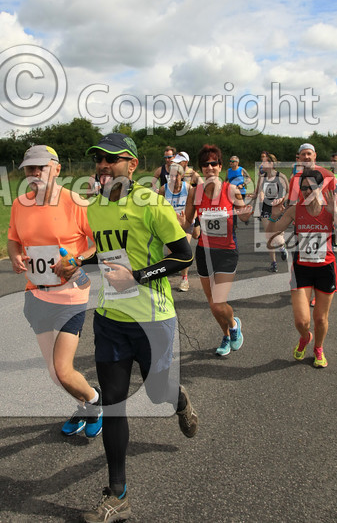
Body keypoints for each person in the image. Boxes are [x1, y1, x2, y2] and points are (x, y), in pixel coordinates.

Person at [78, 133, 197, 523]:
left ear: (131, 165)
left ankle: (178, 399)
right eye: (99, 159)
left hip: (153, 317)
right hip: (111, 317)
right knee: (113, 402)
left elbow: (183, 255)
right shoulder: (95, 207)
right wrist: (78, 266)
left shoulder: (152, 204)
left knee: (158, 391)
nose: (103, 165)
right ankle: (119, 495)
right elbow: (105, 253)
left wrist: (139, 277)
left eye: (112, 159)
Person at [7, 145, 103, 437]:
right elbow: (13, 239)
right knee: (55, 375)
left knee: (62, 370)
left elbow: (97, 242)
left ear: (57, 169)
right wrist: (14, 255)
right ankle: (85, 404)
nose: (35, 173)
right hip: (36, 294)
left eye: (41, 167)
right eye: (29, 168)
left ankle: (96, 403)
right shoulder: (19, 204)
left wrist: (77, 259)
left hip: (70, 295)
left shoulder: (76, 202)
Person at [267, 168, 337, 368]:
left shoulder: (329, 209)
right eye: (303, 188)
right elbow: (272, 235)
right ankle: (304, 337)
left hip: (325, 268)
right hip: (301, 268)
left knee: (320, 318)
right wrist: (275, 215)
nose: (307, 192)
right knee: (302, 322)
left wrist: (336, 214)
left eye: (311, 188)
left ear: (320, 188)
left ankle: (318, 348)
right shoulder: (295, 209)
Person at [183, 144, 253, 356]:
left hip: (227, 252)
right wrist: (178, 221)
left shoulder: (230, 190)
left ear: (220, 166)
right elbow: (187, 222)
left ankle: (233, 324)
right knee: (212, 304)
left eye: (214, 163)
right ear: (201, 168)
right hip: (205, 251)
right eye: (205, 164)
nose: (210, 167)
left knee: (218, 303)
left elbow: (244, 216)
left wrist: (247, 208)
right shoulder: (195, 192)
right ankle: (225, 335)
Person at [248, 152, 289, 272]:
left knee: (277, 235)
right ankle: (273, 263)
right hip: (266, 208)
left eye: (264, 161)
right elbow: (258, 192)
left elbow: (289, 193)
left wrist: (282, 199)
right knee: (269, 235)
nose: (262, 164)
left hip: (279, 208)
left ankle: (282, 247)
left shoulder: (281, 177)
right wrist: (252, 196)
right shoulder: (262, 177)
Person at [159, 162, 195, 291]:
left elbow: (194, 206)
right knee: (172, 253)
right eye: (171, 175)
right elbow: (159, 207)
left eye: (176, 175)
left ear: (182, 175)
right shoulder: (164, 189)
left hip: (186, 223)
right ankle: (169, 273)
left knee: (184, 249)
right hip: (171, 224)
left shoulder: (189, 188)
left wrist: (188, 220)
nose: (173, 178)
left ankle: (184, 279)